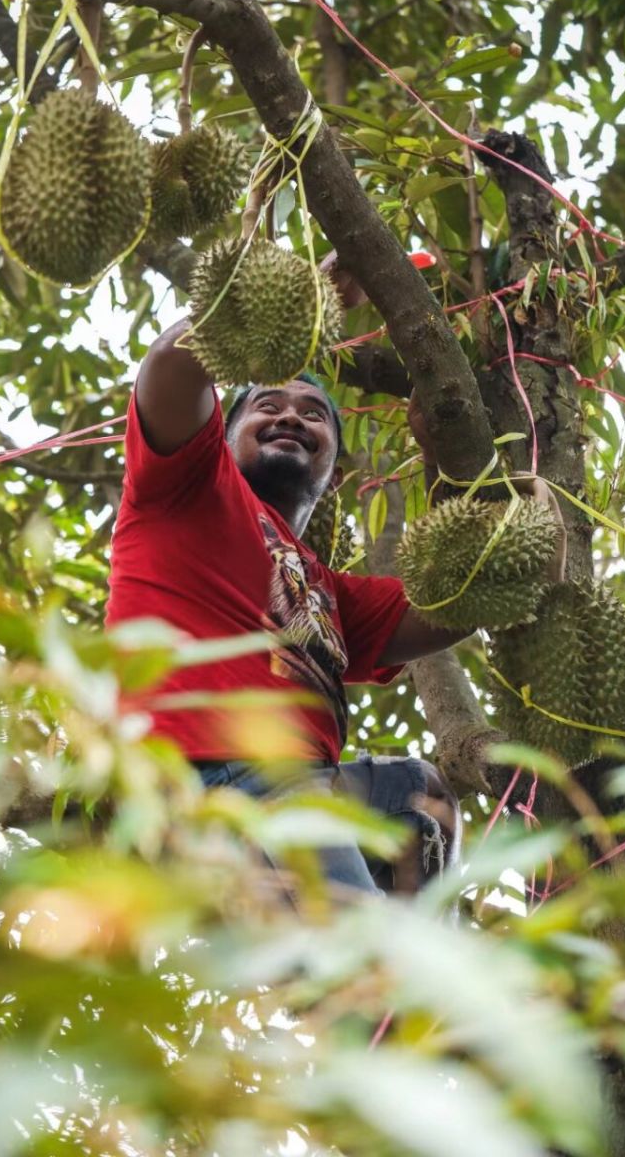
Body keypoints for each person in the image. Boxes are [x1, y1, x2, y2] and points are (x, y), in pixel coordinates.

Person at [106, 273, 469, 897]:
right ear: (220, 434)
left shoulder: (327, 593)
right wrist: (305, 294)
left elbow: (462, 600)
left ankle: (389, 961)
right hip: (200, 772)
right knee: (371, 971)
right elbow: (171, 366)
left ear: (332, 466)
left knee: (422, 795)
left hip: (297, 784)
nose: (292, 418)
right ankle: (375, 974)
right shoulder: (189, 486)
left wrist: (451, 459)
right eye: (268, 407)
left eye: (313, 414)